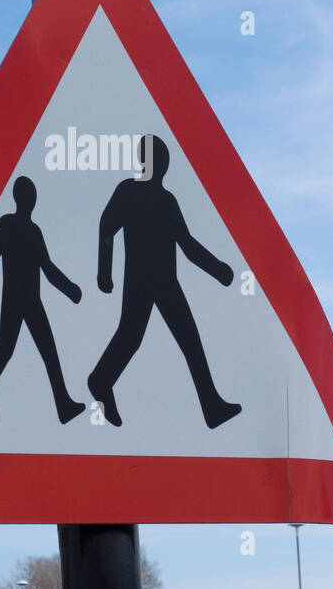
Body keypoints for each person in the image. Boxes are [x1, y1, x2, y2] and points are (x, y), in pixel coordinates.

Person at [88, 136, 242, 428]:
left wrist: (219, 270)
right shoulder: (128, 191)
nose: (163, 163)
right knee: (131, 338)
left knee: (190, 341)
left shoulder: (167, 200)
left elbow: (186, 244)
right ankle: (100, 380)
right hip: (139, 281)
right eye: (158, 157)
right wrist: (103, 271)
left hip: (166, 281)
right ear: (147, 161)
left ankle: (211, 406)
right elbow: (107, 225)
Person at [0, 176, 85, 424]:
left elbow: (47, 268)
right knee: (6, 347)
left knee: (49, 350)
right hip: (13, 299)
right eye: (28, 195)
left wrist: (70, 289)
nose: (30, 200)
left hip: (33, 300)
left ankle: (63, 405)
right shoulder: (6, 224)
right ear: (20, 198)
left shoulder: (35, 231)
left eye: (32, 196)